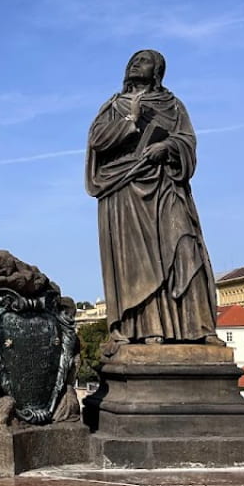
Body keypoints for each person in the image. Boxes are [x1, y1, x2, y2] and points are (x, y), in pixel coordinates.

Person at [86, 49, 218, 349]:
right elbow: (97, 141)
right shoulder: (114, 105)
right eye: (133, 59)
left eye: (143, 60)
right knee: (137, 264)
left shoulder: (173, 105)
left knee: (185, 246)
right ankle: (147, 328)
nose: (135, 63)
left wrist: (168, 147)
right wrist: (130, 121)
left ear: (157, 71)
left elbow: (187, 141)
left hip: (165, 184)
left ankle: (197, 326)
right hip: (125, 189)